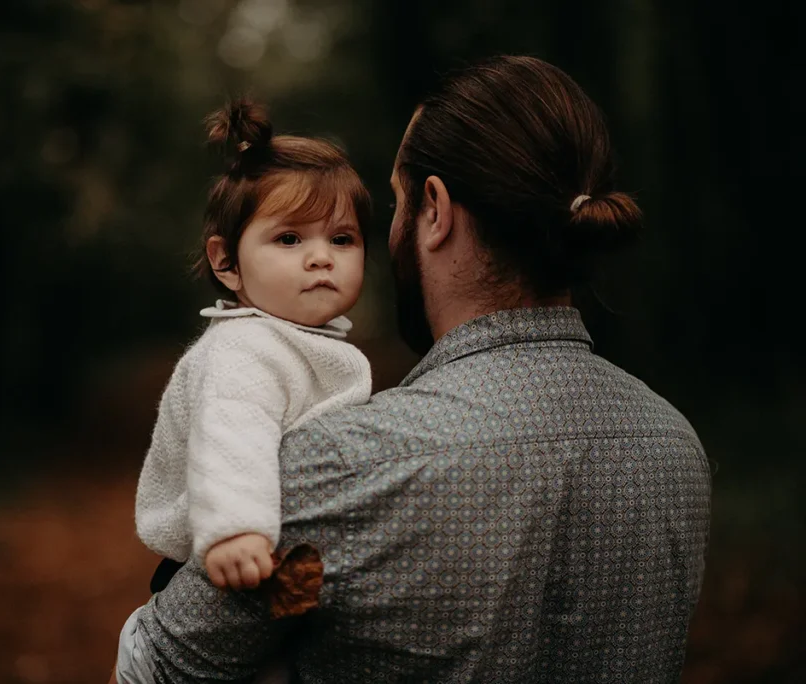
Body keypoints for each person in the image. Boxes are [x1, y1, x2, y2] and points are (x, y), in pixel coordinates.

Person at [113, 55, 711, 684]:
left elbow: (151, 669)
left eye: (391, 204)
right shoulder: (675, 447)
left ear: (435, 210)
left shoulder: (342, 463)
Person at [123, 99, 374, 683]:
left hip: (272, 557)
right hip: (227, 555)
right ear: (227, 261)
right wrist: (236, 528)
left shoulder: (304, 341)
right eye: (289, 239)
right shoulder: (244, 352)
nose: (320, 258)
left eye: (342, 239)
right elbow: (232, 434)